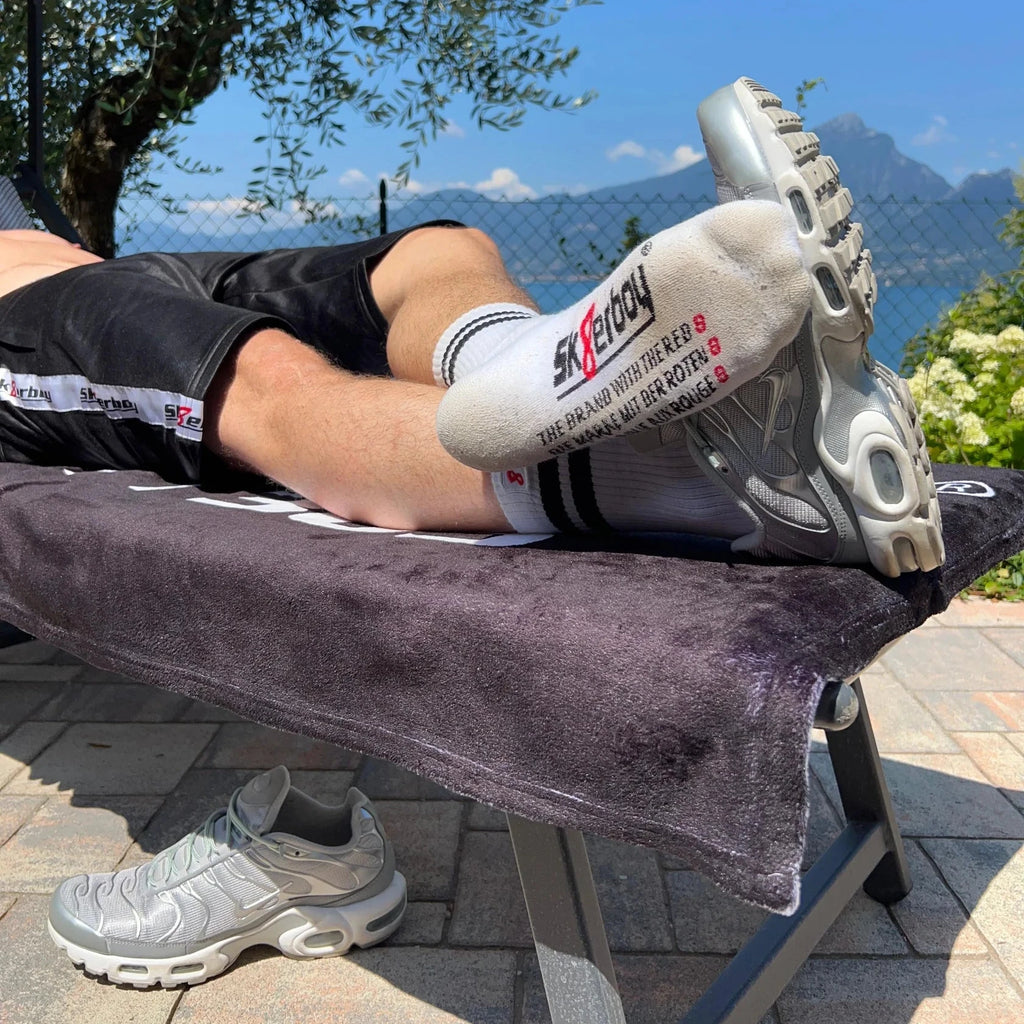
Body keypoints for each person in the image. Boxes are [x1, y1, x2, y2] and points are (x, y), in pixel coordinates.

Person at [15, 78, 944, 983]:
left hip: (157, 269)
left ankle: (533, 368)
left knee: (439, 249)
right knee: (274, 390)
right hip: (25, 325)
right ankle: (707, 476)